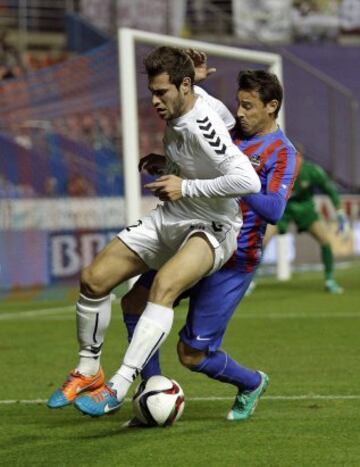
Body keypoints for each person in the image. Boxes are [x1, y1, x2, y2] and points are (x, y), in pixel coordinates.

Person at [47, 46, 261, 416]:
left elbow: (248, 180)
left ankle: (119, 384)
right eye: (152, 92)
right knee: (94, 279)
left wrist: (186, 186)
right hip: (173, 215)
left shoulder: (200, 124)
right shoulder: (188, 102)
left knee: (162, 287)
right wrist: (171, 165)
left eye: (162, 92)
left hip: (213, 225)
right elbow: (208, 120)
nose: (156, 101)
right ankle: (89, 370)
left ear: (183, 86)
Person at [120, 63, 300, 423]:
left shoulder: (283, 153)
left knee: (191, 355)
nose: (239, 112)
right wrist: (169, 164)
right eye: (239, 103)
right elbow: (201, 166)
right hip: (196, 239)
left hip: (235, 258)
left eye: (249, 106)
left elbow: (275, 210)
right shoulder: (228, 134)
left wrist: (238, 183)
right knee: (136, 301)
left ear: (272, 106)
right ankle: (150, 386)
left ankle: (251, 382)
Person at [263, 157, 349, 294]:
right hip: (282, 210)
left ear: (299, 157)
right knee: (262, 240)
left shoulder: (311, 171)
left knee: (325, 239)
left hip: (305, 209)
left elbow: (329, 189)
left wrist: (339, 212)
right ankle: (248, 281)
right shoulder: (276, 170)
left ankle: (329, 280)